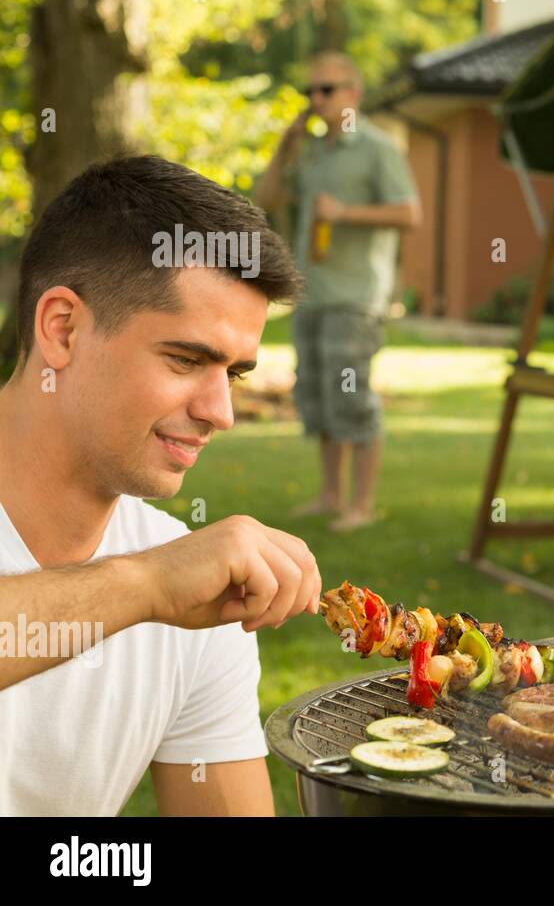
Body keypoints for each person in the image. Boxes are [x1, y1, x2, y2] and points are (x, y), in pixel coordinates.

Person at [0, 155, 322, 815]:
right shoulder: (170, 581)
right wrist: (144, 586)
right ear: (62, 329)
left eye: (231, 373)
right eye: (186, 359)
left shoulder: (189, 594)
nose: (220, 412)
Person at [254, 51, 420, 533]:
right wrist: (286, 144)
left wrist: (345, 213)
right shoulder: (312, 152)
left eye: (326, 90)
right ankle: (330, 495)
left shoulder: (377, 148)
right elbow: (267, 200)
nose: (316, 100)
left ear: (353, 93)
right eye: (310, 92)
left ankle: (362, 505)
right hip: (313, 292)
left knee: (351, 397)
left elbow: (410, 214)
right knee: (318, 396)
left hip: (356, 296)